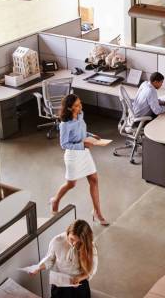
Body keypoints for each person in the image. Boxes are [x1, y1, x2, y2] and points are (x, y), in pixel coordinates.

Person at [50, 94, 109, 226]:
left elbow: (82, 133)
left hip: (84, 153)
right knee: (71, 184)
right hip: (73, 155)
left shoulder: (80, 115)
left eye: (80, 103)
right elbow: (64, 144)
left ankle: (97, 212)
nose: (80, 106)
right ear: (70, 108)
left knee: (94, 179)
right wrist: (82, 145)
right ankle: (55, 200)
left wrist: (91, 135)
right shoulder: (65, 124)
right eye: (77, 105)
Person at [30, 220, 97, 298]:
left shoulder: (90, 246)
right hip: (60, 283)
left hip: (80, 282)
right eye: (72, 239)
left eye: (79, 242)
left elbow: (91, 269)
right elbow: (50, 259)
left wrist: (80, 278)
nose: (74, 244)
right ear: (68, 232)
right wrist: (38, 268)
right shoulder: (57, 241)